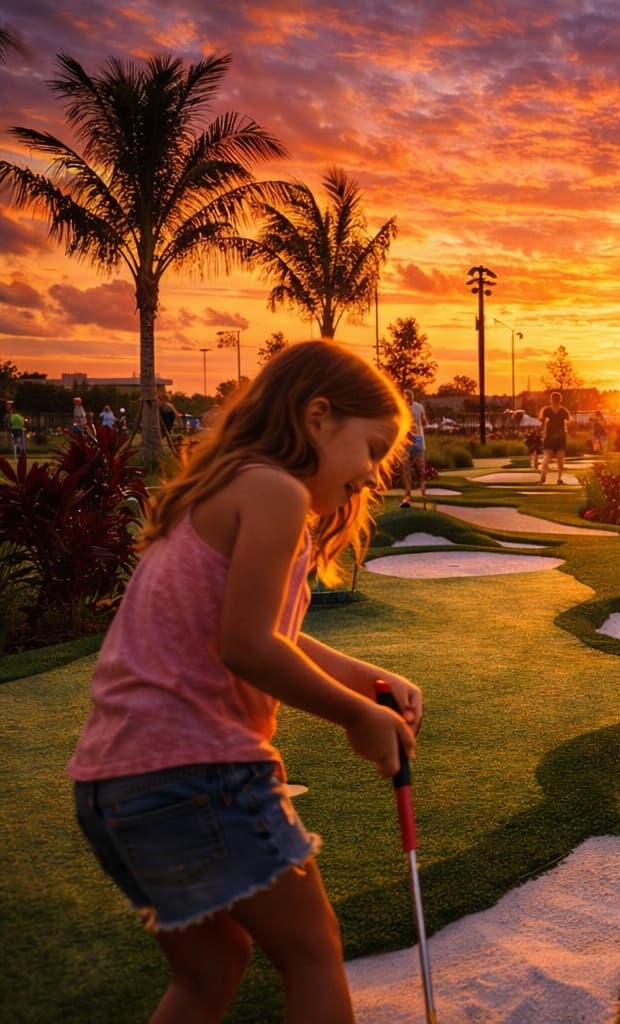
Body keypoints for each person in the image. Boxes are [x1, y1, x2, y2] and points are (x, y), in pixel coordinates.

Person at [68, 340, 423, 1021]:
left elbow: (271, 636)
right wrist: (356, 715)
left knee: (213, 966)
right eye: (371, 449)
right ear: (318, 417)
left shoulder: (235, 487)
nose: (372, 476)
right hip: (197, 770)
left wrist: (369, 679)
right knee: (313, 950)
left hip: (113, 784)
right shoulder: (275, 490)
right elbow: (247, 647)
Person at [398, 387, 427, 507]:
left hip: (410, 440)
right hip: (415, 440)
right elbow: (424, 422)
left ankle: (409, 495)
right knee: (418, 468)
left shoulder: (402, 408)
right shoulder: (418, 407)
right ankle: (416, 493)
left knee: (408, 468)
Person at [539, 391, 573, 484]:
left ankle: (543, 474)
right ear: (560, 400)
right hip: (561, 438)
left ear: (551, 399)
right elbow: (569, 421)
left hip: (549, 437)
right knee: (560, 460)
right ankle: (559, 478)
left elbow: (541, 421)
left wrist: (543, 432)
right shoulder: (563, 411)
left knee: (547, 457)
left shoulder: (546, 410)